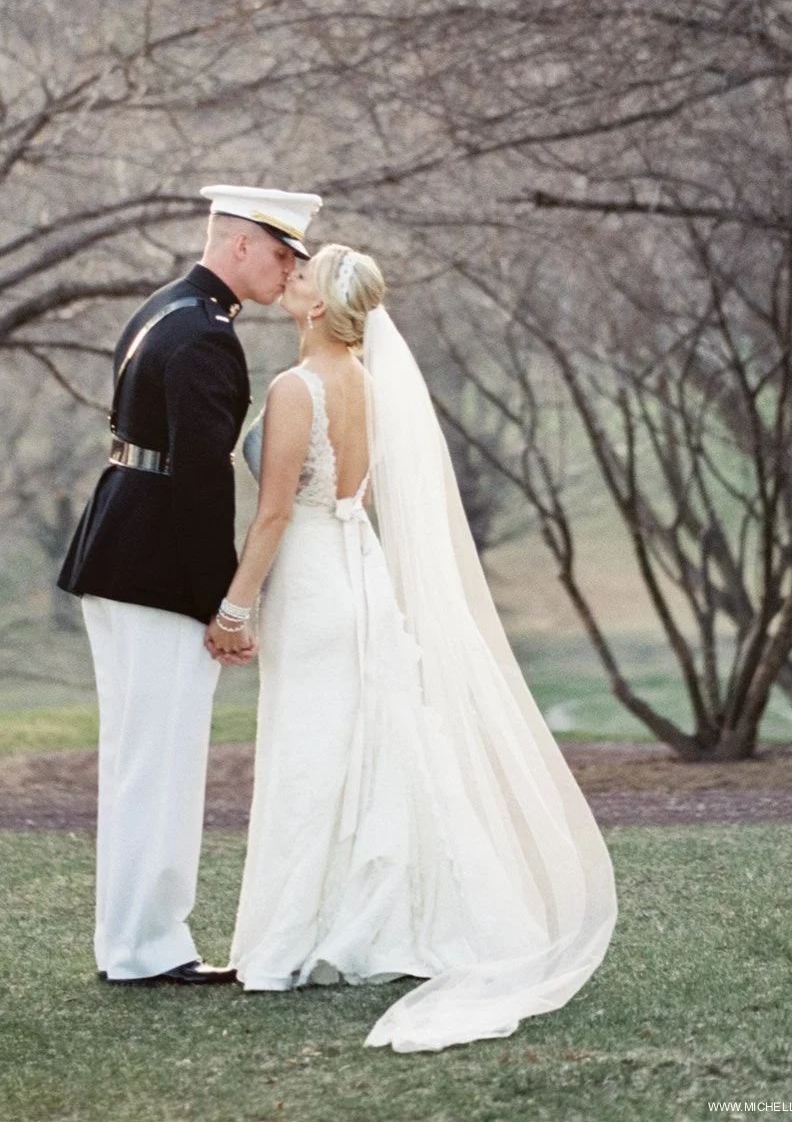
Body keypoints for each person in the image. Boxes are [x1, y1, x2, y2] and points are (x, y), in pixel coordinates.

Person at [205, 242, 617, 1052]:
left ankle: (294, 937)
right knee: (365, 749)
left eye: (305, 275)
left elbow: (277, 514)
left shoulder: (298, 388)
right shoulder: (368, 382)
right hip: (363, 571)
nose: (291, 276)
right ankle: (369, 917)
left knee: (310, 754)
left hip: (318, 581)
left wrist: (233, 606)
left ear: (322, 306)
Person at [57, 183, 322, 985]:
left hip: (121, 548)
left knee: (141, 756)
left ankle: (132, 939)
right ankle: (148, 946)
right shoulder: (208, 338)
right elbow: (202, 483)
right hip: (156, 561)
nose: (286, 272)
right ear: (237, 244)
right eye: (280, 254)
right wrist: (225, 604)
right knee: (160, 761)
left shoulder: (163, 307)